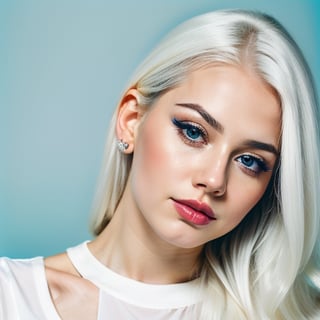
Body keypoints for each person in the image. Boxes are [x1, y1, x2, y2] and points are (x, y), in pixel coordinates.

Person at [1, 8, 319, 320]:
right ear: (132, 120)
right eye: (193, 132)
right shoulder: (11, 296)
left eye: (249, 161)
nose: (213, 180)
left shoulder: (298, 312)